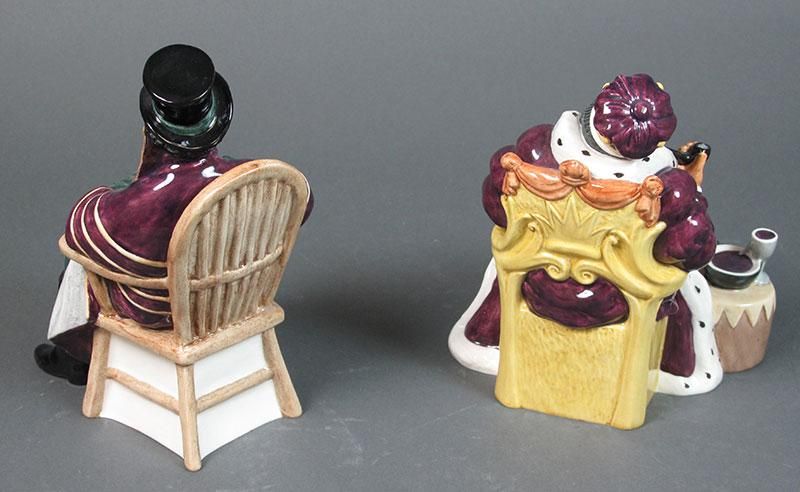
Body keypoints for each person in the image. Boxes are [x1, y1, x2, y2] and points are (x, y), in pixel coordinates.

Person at [35, 45, 313, 385]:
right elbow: (304, 200)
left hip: (163, 310)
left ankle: (77, 355)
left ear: (153, 129)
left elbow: (77, 230)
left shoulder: (142, 203)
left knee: (77, 262)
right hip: (232, 301)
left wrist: (114, 190)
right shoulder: (257, 179)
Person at [449, 73, 722, 396]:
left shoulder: (529, 154)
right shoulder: (665, 189)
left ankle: (488, 335)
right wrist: (693, 191)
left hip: (537, 285)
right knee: (684, 283)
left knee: (507, 256)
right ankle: (676, 366)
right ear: (657, 143)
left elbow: (499, 213)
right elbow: (693, 252)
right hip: (617, 302)